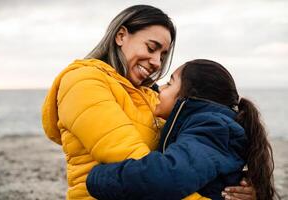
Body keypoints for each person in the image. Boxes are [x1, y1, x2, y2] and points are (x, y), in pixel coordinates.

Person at [41, 5, 255, 200]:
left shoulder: (151, 96)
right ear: (121, 36)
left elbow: (190, 158)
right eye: (151, 48)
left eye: (163, 55)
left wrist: (235, 186)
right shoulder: (84, 81)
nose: (156, 62)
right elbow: (147, 173)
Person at [86, 59, 278, 200]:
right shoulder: (208, 124)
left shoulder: (213, 128)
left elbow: (167, 176)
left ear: (190, 97)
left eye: (169, 83)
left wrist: (97, 177)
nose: (160, 89)